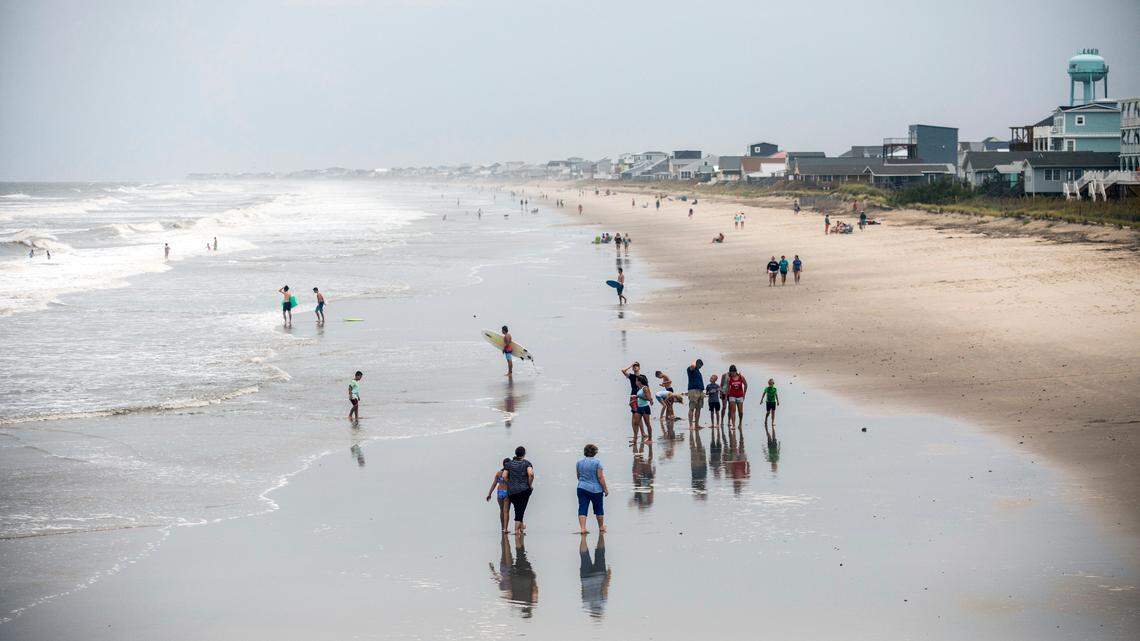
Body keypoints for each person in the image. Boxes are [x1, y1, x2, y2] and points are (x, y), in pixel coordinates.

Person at [576, 444, 609, 533]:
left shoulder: (579, 462)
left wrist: (583, 482)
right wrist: (605, 489)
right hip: (596, 489)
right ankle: (601, 527)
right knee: (598, 508)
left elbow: (578, 476)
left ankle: (583, 528)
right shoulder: (597, 463)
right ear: (595, 452)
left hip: (582, 487)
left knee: (582, 507)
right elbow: (600, 477)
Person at [505, 446, 535, 535]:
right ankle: (517, 531)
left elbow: (504, 476)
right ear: (524, 454)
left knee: (518, 508)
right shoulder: (527, 463)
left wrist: (509, 484)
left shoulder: (509, 464)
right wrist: (530, 485)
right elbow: (531, 474)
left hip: (512, 491)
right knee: (520, 510)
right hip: (524, 490)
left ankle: (521, 527)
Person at [486, 458, 512, 533]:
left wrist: (489, 494)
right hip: (507, 492)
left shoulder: (498, 473)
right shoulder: (510, 473)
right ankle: (506, 529)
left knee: (501, 511)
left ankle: (502, 527)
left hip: (499, 492)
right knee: (506, 511)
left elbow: (494, 484)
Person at [686, 359, 704, 427]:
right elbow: (692, 366)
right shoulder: (690, 369)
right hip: (693, 390)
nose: (700, 367)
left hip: (700, 391)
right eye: (700, 365)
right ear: (697, 364)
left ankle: (696, 424)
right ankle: (690, 425)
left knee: (698, 408)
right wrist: (694, 363)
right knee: (692, 408)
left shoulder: (698, 371)